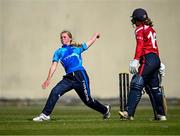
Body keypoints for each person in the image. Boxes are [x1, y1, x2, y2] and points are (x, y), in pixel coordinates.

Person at [33, 30, 111, 121]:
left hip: (80, 75)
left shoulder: (76, 48)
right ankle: (45, 115)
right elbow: (53, 66)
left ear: (70, 38)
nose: (62, 39)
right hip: (68, 78)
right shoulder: (58, 52)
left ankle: (105, 110)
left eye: (64, 37)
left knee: (88, 101)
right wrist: (48, 79)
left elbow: (88, 43)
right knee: (55, 91)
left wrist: (95, 36)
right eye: (61, 37)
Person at [119, 8, 166, 120]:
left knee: (137, 82)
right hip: (155, 59)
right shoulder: (152, 29)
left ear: (137, 19)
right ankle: (161, 114)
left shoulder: (139, 29)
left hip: (147, 59)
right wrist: (160, 62)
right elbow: (155, 47)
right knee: (153, 88)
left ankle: (128, 113)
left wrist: (136, 59)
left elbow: (140, 45)